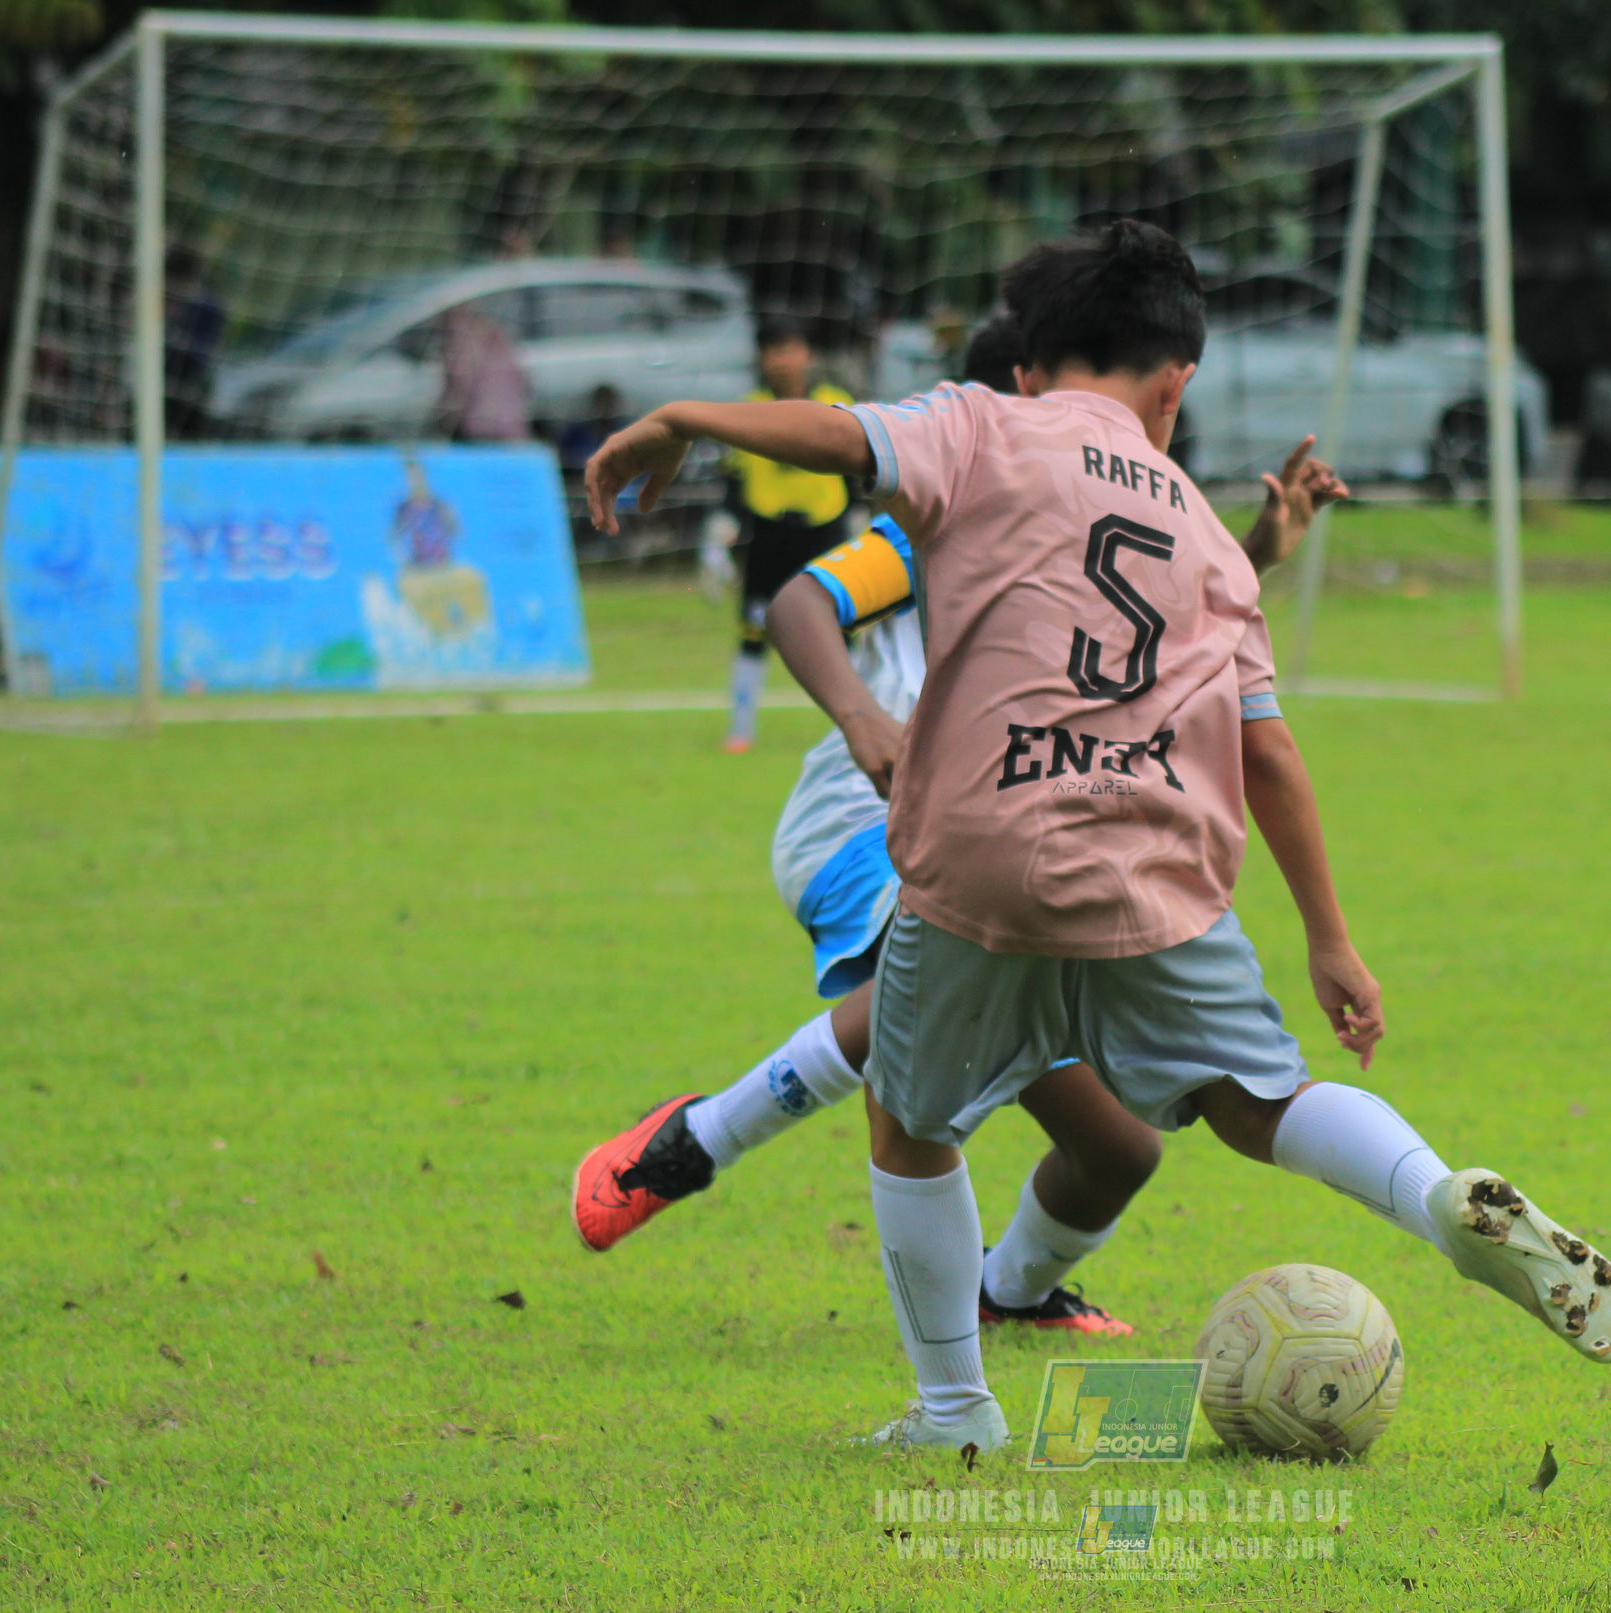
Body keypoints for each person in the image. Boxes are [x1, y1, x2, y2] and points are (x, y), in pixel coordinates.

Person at [583, 221, 1611, 1454]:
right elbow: (1268, 747)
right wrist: (1333, 940)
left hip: (982, 843)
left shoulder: (984, 427)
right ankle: (1436, 1192)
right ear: (1176, 379)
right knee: (1260, 1101)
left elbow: (839, 433)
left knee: (916, 1127)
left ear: (1025, 367)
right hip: (1156, 860)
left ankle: (953, 1411)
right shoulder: (1194, 521)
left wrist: (684, 419)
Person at [569, 314, 1351, 1339]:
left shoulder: (1107, 513)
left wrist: (1256, 550)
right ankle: (692, 1140)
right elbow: (804, 601)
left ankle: (1011, 1291)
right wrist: (864, 720)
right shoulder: (969, 497)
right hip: (869, 819)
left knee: (1118, 1153)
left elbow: (1142, 640)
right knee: (934, 950)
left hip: (1011, 827)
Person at [723, 315, 856, 754]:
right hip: (769, 533)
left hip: (826, 528)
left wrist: (861, 521)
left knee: (843, 632)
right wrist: (718, 535)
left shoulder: (837, 404)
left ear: (809, 354)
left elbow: (859, 470)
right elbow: (735, 482)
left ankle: (853, 725)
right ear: (762, 359)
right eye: (773, 350)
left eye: (791, 348)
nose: (783, 360)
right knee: (754, 630)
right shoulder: (749, 409)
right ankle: (740, 730)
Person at [437, 301, 531, 444]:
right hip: (511, 426)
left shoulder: (462, 339)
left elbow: (460, 385)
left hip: (482, 429)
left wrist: (443, 426)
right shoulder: (494, 336)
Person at [163, 246, 225, 440]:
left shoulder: (205, 305)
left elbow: (201, 349)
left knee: (187, 439)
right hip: (167, 385)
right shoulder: (167, 301)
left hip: (190, 386)